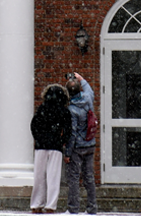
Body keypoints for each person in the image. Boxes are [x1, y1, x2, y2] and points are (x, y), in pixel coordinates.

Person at [30, 83, 72, 213]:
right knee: (53, 176)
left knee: (39, 175)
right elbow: (68, 130)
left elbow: (34, 125)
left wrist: (39, 138)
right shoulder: (64, 111)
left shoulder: (42, 108)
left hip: (41, 146)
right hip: (55, 146)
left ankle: (37, 204)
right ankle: (50, 205)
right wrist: (62, 140)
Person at [63, 71, 97, 214]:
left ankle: (73, 208)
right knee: (89, 177)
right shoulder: (88, 99)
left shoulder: (71, 109)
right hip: (90, 144)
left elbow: (73, 133)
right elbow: (89, 90)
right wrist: (81, 79)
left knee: (74, 178)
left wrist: (68, 152)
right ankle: (92, 207)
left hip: (77, 147)